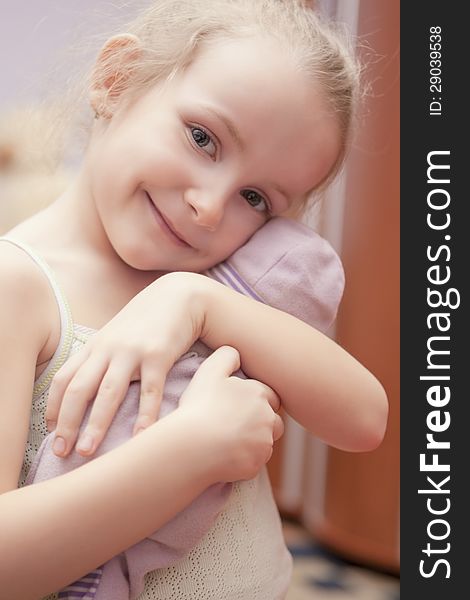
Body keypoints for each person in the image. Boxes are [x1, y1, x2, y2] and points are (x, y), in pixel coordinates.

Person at [0, 1, 388, 598]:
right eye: (203, 139)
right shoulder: (17, 285)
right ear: (117, 79)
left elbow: (364, 420)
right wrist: (192, 452)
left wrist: (200, 301)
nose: (210, 206)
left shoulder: (219, 281)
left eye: (256, 198)